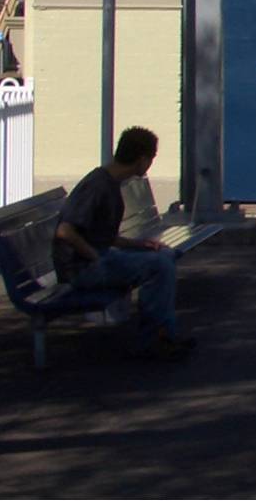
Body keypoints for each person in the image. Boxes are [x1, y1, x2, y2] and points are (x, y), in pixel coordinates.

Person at [54, 126, 194, 359]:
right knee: (158, 267)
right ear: (141, 159)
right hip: (81, 268)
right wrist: (94, 256)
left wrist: (140, 245)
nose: (150, 164)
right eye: (151, 158)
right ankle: (152, 339)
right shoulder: (96, 185)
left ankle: (164, 333)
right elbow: (65, 231)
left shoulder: (109, 183)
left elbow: (102, 236)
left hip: (98, 256)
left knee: (165, 256)